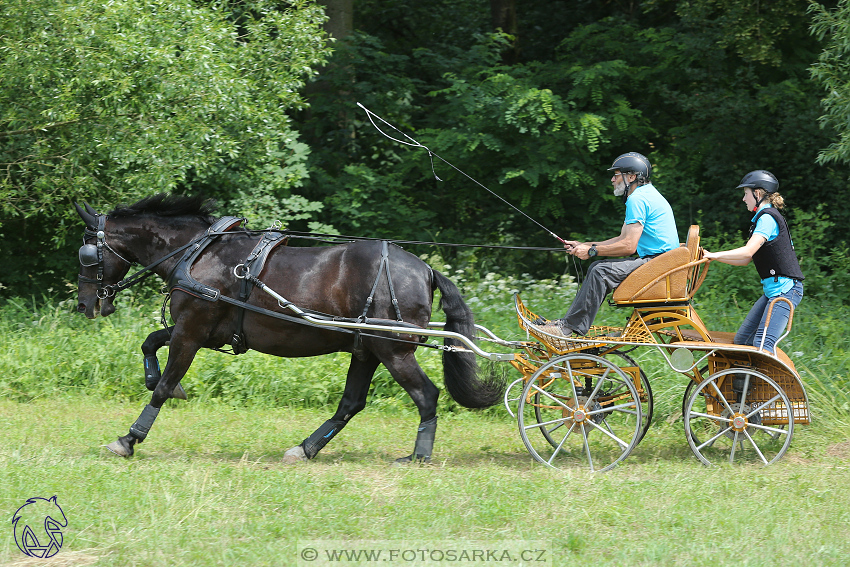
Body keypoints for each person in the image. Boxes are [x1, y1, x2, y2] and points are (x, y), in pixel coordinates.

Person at [539, 152, 680, 336]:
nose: (612, 179)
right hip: (661, 263)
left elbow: (629, 247)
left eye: (616, 174)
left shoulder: (637, 199)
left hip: (657, 264)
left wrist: (592, 252)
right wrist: (586, 244)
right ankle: (569, 323)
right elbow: (622, 239)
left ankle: (568, 328)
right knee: (599, 267)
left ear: (631, 176)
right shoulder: (646, 194)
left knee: (600, 270)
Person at [702, 170, 804, 354]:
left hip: (787, 290)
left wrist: (715, 255)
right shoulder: (762, 218)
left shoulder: (767, 218)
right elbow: (745, 259)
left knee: (762, 346)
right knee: (743, 341)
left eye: (745, 193)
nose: (743, 199)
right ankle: (742, 382)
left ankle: (768, 382)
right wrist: (711, 256)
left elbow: (748, 250)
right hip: (773, 290)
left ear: (757, 194)